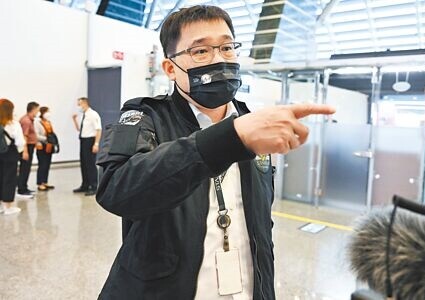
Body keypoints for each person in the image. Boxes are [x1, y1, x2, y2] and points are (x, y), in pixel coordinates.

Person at [95, 5, 335, 300]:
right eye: (201, 52)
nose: (218, 59)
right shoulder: (146, 116)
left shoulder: (251, 121)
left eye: (226, 47)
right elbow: (117, 189)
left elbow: (261, 222)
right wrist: (230, 139)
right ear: (171, 68)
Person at [0, 99, 27, 215]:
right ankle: (8, 206)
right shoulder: (14, 124)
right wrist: (21, 152)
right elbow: (20, 142)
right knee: (9, 179)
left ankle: (0, 206)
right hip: (10, 154)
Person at [72, 97, 101, 196]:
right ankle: (85, 185)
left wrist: (96, 144)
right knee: (84, 164)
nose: (78, 106)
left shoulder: (93, 114)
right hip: (83, 141)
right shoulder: (83, 115)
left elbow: (98, 130)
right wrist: (74, 120)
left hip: (90, 141)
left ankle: (94, 186)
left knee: (90, 164)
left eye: (79, 104)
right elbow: (79, 129)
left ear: (85, 103)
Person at [17, 101, 39, 197]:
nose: (38, 112)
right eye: (37, 110)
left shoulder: (30, 120)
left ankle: (24, 186)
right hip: (27, 147)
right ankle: (21, 189)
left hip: (30, 146)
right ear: (33, 110)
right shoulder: (26, 121)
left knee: (26, 168)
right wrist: (25, 151)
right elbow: (24, 137)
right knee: (24, 168)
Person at [35, 106, 56, 191]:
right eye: (47, 111)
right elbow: (36, 135)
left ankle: (45, 182)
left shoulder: (48, 122)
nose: (48, 113)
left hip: (49, 146)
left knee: (47, 164)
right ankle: (40, 183)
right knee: (42, 165)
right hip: (42, 145)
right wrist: (46, 138)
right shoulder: (37, 122)